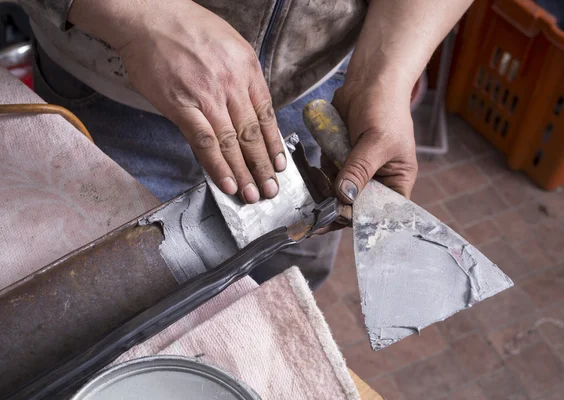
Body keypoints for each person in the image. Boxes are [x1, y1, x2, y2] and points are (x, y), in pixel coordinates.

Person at [19, 0, 473, 287]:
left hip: (316, 92)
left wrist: (384, 75)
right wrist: (139, 13)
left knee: (283, 285)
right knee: (108, 294)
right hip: (114, 90)